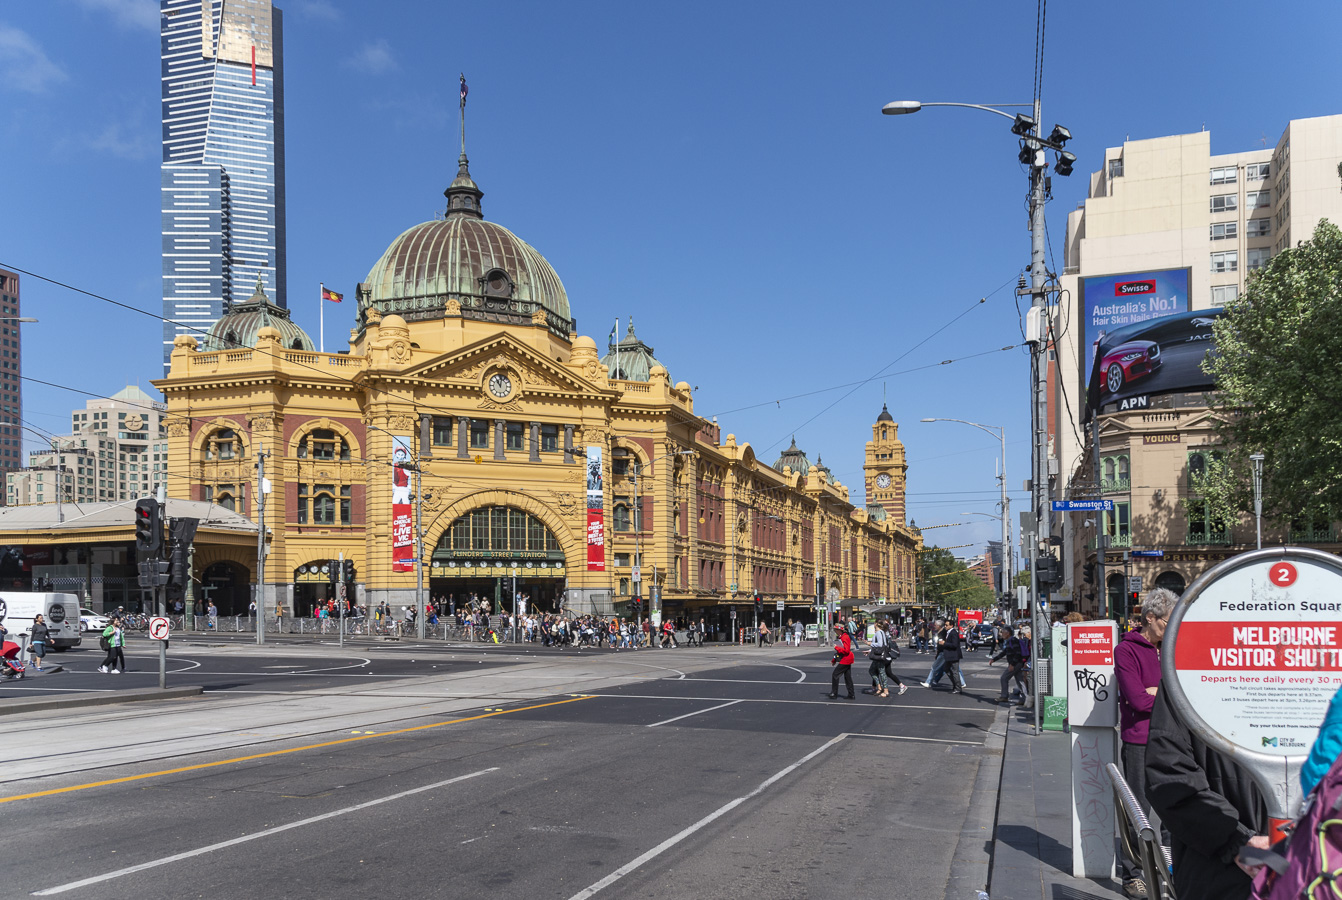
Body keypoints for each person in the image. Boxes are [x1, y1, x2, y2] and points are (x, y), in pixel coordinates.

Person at [1145, 688, 1269, 900]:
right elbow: (1169, 777)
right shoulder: (1185, 674)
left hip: (1310, 867)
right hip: (1218, 870)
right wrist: (1236, 842)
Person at [1114, 587, 1175, 897]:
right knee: (1138, 806)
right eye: (1167, 621)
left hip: (1172, 738)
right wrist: (1167, 695)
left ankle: (1170, 867)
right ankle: (1133, 872)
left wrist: (1157, 693)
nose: (1171, 627)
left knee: (1173, 805)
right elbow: (1137, 699)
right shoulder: (1126, 650)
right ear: (1150, 618)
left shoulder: (1171, 646)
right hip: (1139, 739)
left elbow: (1185, 692)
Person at [989, 625, 1029, 703]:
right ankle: (1025, 698)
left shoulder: (1013, 640)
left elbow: (1018, 653)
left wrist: (1012, 664)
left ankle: (1004, 696)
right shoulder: (1009, 641)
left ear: (1008, 633)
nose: (1001, 634)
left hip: (1016, 663)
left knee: (1004, 678)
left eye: (1003, 632)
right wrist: (994, 659)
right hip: (1017, 663)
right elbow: (1004, 652)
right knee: (1020, 680)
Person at [863, 620, 892, 697]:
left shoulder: (879, 633)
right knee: (873, 671)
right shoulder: (882, 632)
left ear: (876, 624)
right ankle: (879, 687)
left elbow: (880, 644)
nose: (873, 625)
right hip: (878, 654)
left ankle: (885, 690)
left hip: (879, 655)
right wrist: (870, 650)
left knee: (881, 672)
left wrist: (869, 643)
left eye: (874, 623)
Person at [828, 624, 855, 700]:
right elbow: (840, 652)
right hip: (847, 659)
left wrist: (836, 647)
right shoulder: (842, 637)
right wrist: (834, 659)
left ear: (840, 630)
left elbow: (846, 650)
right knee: (848, 677)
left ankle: (834, 693)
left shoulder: (845, 637)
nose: (835, 631)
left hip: (846, 659)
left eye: (836, 630)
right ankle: (851, 694)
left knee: (835, 675)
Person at [940, 619, 964, 694]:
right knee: (946, 669)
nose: (945, 626)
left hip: (954, 655)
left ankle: (958, 687)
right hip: (949, 655)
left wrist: (944, 643)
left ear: (951, 626)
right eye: (945, 625)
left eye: (947, 625)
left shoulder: (953, 633)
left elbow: (954, 645)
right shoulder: (947, 632)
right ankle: (956, 684)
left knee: (955, 671)